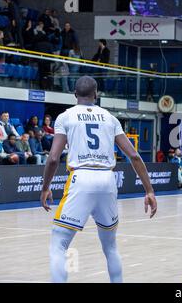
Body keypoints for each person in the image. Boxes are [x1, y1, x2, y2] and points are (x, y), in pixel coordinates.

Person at [40, 76, 157, 283]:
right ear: (97, 95)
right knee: (110, 246)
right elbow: (135, 156)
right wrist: (149, 191)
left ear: (74, 95)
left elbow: (53, 158)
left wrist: (45, 188)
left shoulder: (65, 117)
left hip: (81, 177)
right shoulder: (110, 118)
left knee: (58, 243)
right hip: (107, 179)